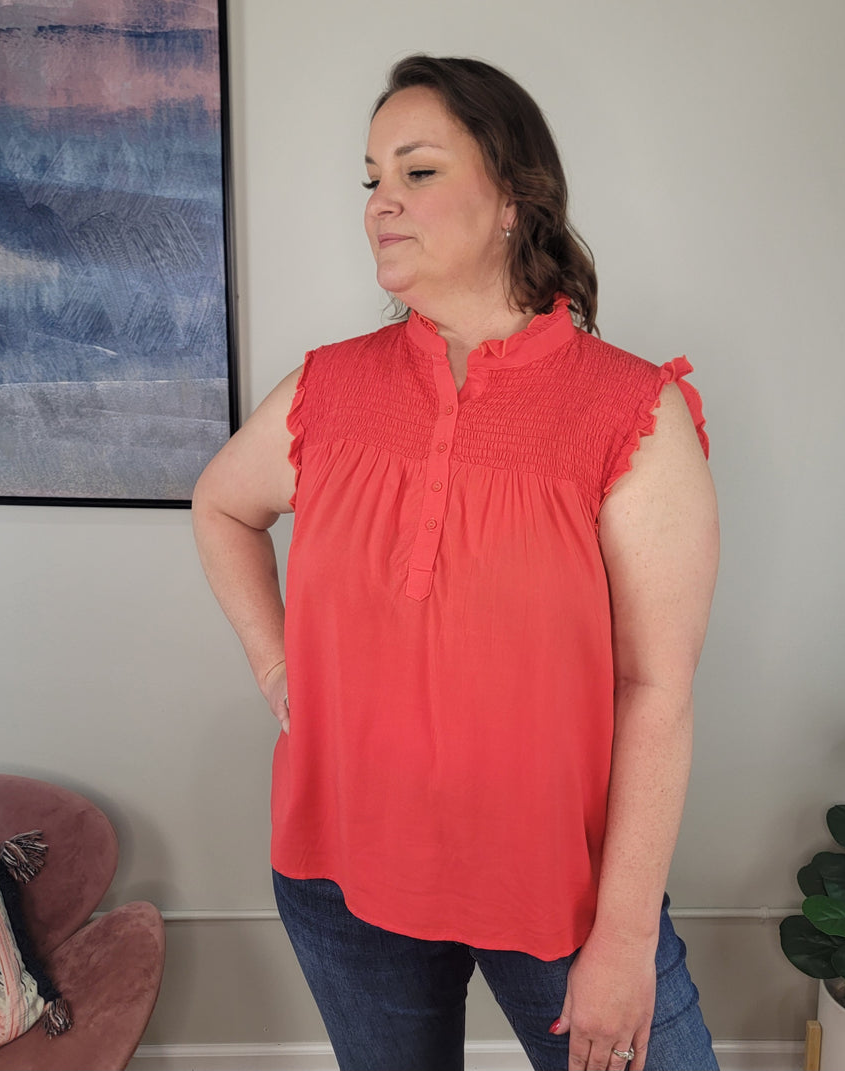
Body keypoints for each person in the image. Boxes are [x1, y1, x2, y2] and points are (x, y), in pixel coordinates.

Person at [192, 54, 719, 1071]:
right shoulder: (328, 387)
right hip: (343, 876)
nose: (381, 203)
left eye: (417, 171)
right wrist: (275, 669)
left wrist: (621, 940)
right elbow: (221, 505)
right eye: (371, 177)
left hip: (557, 894)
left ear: (516, 196)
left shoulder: (630, 410)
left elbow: (656, 687)